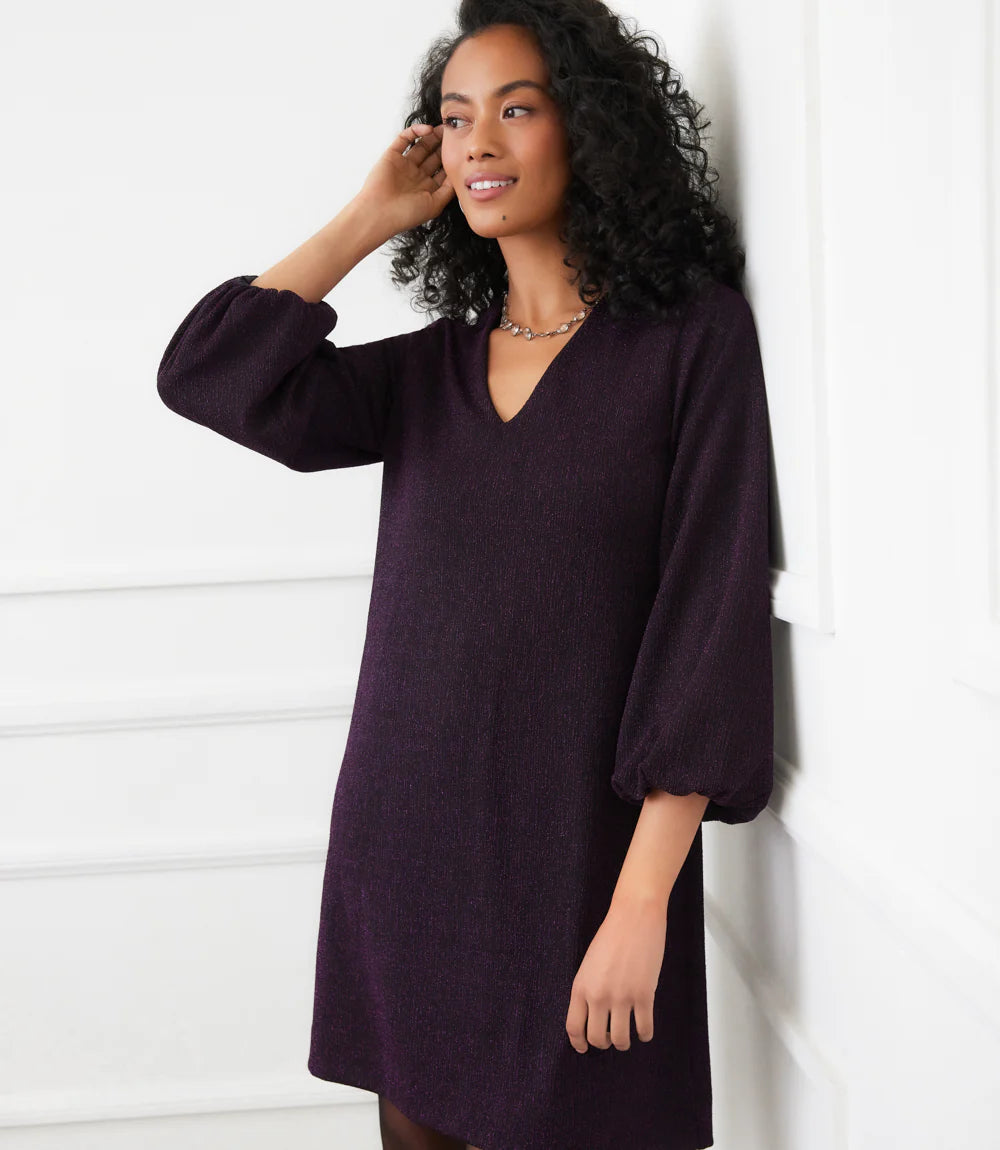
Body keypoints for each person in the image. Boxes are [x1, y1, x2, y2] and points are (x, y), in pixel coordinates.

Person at [156, 1, 774, 1147]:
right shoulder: (428, 373)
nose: (477, 141)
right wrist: (368, 217)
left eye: (516, 109)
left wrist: (641, 902)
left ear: (589, 128)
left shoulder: (690, 345)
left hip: (582, 866)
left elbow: (707, 626)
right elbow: (208, 375)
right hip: (407, 855)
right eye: (453, 118)